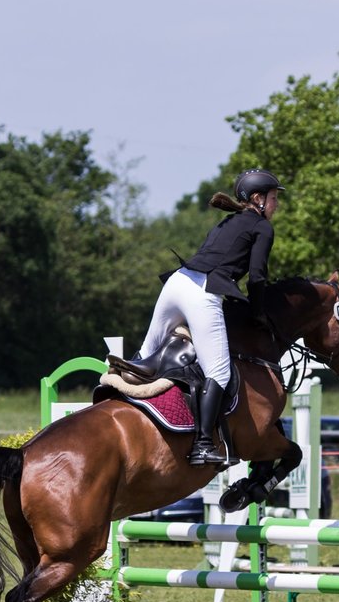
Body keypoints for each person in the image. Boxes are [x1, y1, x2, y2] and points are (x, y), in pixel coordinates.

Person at [122, 169, 284, 465]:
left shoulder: (229, 222)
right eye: (274, 198)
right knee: (219, 372)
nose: (276, 205)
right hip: (202, 292)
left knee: (146, 354)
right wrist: (258, 314)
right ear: (258, 200)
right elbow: (258, 278)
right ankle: (203, 445)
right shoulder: (261, 227)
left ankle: (118, 396)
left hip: (177, 283)